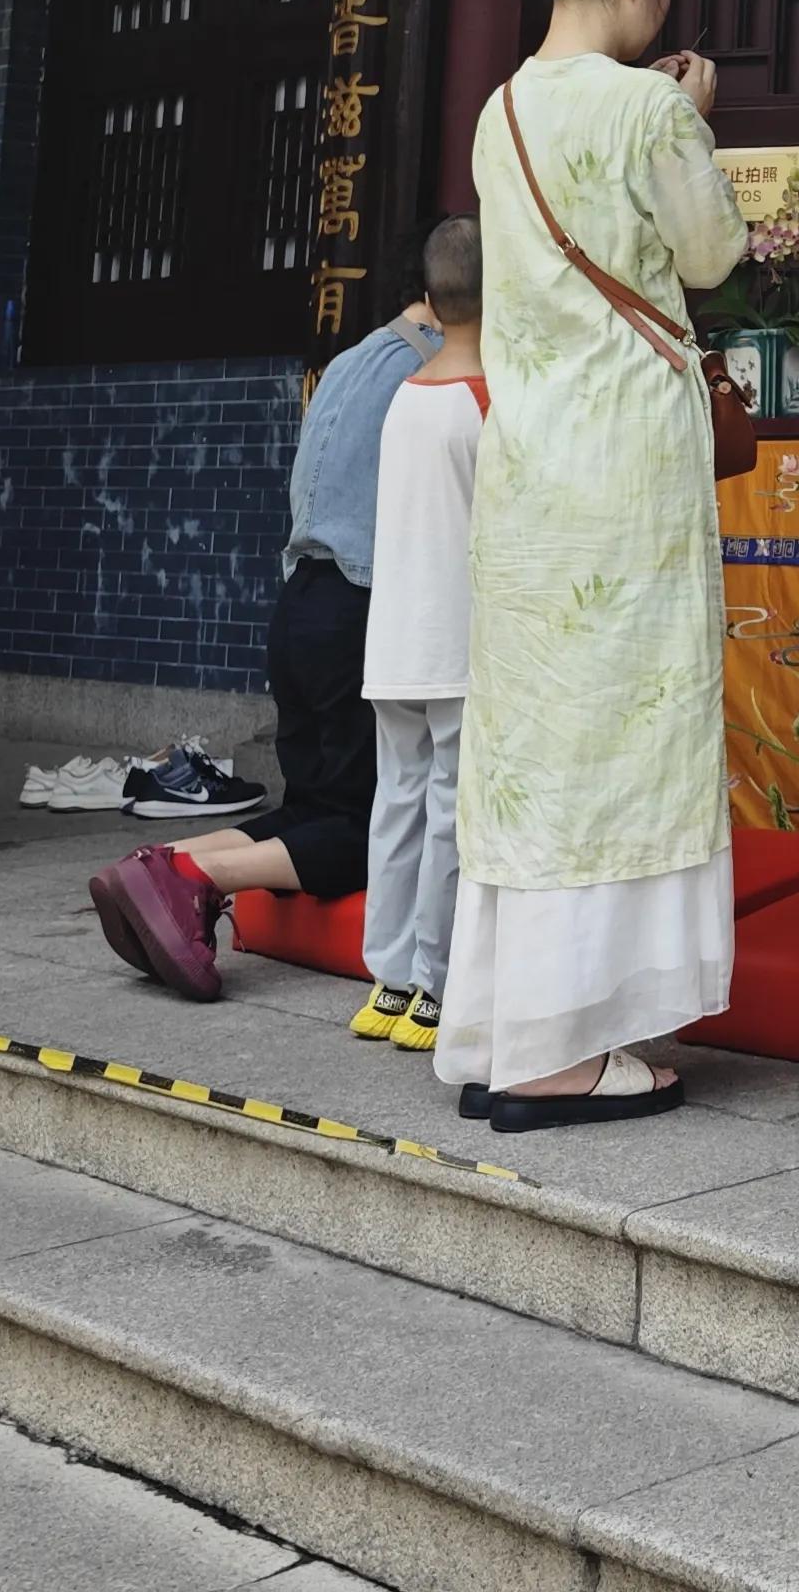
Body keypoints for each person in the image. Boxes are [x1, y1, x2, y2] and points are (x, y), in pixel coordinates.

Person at [445, 0, 749, 1129]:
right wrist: (691, 114)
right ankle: (562, 1050)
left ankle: (517, 1023)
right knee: (626, 742)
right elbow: (715, 254)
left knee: (536, 750)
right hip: (626, 470)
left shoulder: (496, 110)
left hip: (529, 474)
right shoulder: (644, 108)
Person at [88, 257, 438, 998]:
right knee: (368, 828)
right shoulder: (427, 375)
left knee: (315, 806)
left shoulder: (350, 362)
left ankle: (153, 867)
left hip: (303, 601)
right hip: (361, 607)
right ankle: (191, 874)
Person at [350, 213, 486, 1053]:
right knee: (450, 812)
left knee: (395, 804)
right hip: (458, 640)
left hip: (393, 637)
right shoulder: (490, 397)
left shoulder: (406, 392)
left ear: (429, 301)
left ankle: (387, 979)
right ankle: (434, 986)